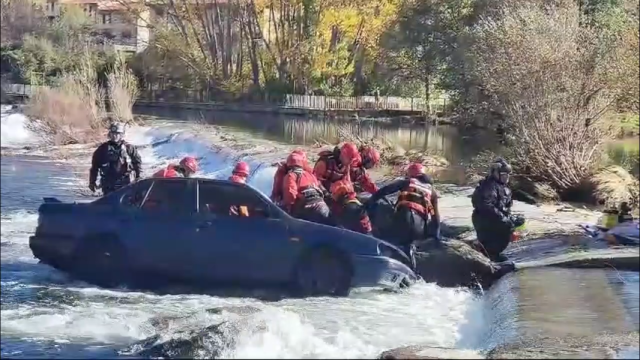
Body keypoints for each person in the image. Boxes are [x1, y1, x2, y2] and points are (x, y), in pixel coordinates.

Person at [365, 162, 441, 256]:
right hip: (419, 229)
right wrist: (436, 236)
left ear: (410, 174)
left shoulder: (407, 182)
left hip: (403, 222)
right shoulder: (432, 192)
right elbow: (435, 217)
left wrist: (368, 203)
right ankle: (413, 246)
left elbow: (384, 191)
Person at [471, 158, 525, 262]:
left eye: (508, 175)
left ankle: (493, 252)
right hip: (485, 220)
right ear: (495, 173)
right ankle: (488, 252)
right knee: (501, 232)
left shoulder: (503, 186)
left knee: (517, 222)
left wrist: (511, 218)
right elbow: (487, 206)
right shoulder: (489, 186)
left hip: (496, 218)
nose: (507, 177)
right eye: (504, 174)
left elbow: (505, 206)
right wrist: (504, 219)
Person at [89, 122, 142, 195]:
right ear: (109, 134)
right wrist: (92, 182)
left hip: (126, 184)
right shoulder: (102, 149)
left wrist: (138, 177)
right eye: (113, 133)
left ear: (121, 135)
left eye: (117, 134)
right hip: (108, 185)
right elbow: (94, 167)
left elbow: (137, 162)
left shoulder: (129, 148)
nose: (115, 136)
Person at [282, 151, 333, 225]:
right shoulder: (310, 174)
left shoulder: (291, 176)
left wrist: (288, 209)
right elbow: (320, 187)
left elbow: (290, 193)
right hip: (321, 204)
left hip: (307, 208)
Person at [314, 142, 378, 201]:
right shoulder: (326, 161)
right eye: (350, 159)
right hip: (321, 191)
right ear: (343, 155)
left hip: (334, 191)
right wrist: (326, 193)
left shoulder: (347, 165)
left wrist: (350, 193)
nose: (351, 162)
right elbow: (315, 179)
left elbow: (348, 181)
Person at [329, 166, 373, 235]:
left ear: (341, 194)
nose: (332, 196)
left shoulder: (349, 208)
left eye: (334, 193)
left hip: (360, 241)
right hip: (367, 238)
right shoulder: (355, 202)